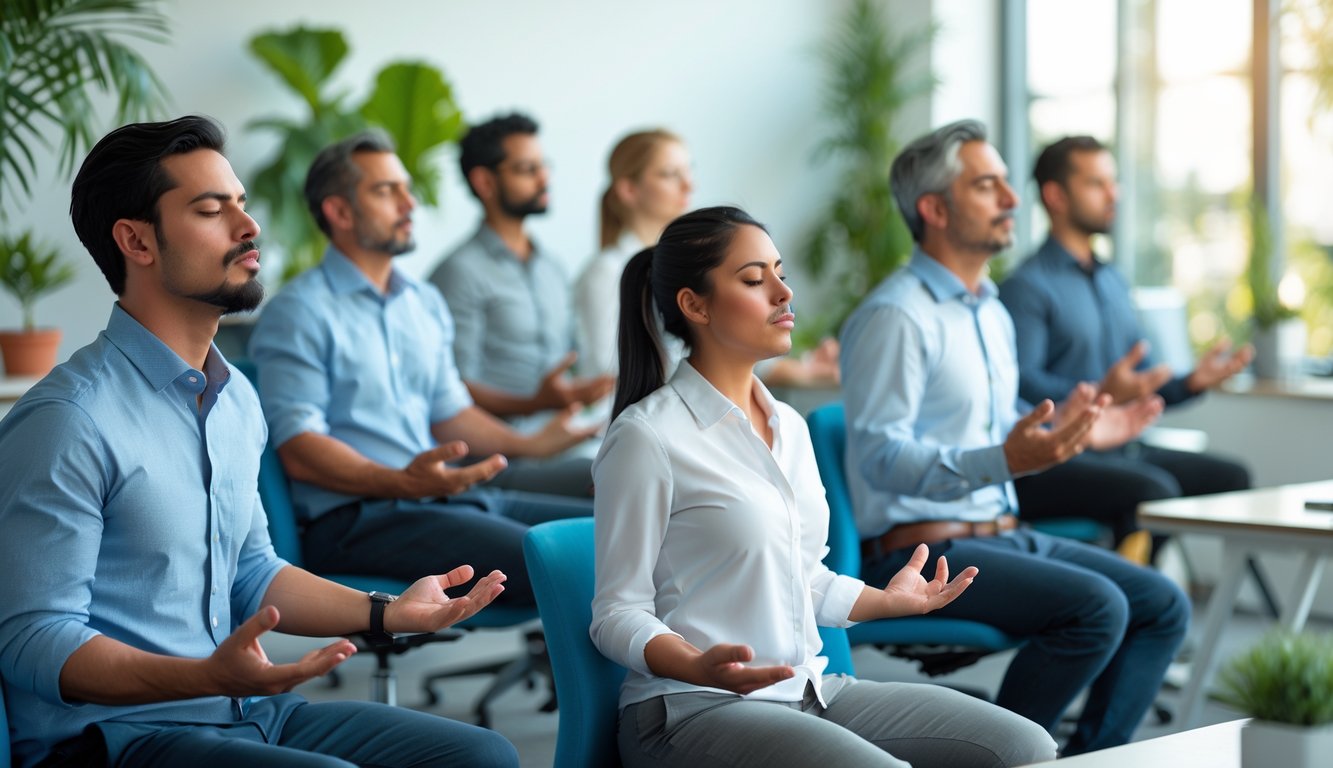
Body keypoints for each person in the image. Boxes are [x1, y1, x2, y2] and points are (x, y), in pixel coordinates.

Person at [0, 116, 517, 768]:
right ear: (136, 241)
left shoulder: (237, 397)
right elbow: (32, 639)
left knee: (482, 757)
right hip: (117, 737)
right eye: (211, 210)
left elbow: (253, 573)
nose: (249, 228)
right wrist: (206, 677)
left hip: (242, 711)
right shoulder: (68, 419)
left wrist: (389, 613)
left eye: (241, 205)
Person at [591, 205, 1057, 768]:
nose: (784, 293)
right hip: (692, 710)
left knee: (1026, 746)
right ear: (695, 305)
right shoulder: (648, 436)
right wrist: (694, 663)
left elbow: (802, 576)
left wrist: (885, 602)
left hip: (807, 691)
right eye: (754, 280)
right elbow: (616, 613)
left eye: (780, 273)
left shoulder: (789, 426)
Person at [840, 120, 1191, 755]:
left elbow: (1002, 425)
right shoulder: (896, 316)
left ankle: (1087, 756)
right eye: (988, 185)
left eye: (1007, 182)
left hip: (1003, 532)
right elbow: (879, 458)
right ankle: (997, 755)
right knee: (1098, 609)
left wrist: (1083, 430)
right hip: (919, 553)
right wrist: (1000, 459)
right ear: (934, 209)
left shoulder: (991, 311)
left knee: (1161, 604)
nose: (1013, 198)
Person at [248, 130, 594, 609]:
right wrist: (402, 482)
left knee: (612, 536)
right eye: (386, 191)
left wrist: (529, 446)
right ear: (340, 212)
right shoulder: (300, 311)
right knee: (573, 563)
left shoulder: (422, 302)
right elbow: (301, 449)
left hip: (438, 497)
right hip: (359, 518)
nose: (409, 203)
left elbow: (450, 413)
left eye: (405, 188)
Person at [999, 135, 1253, 560]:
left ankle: (1143, 576)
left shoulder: (1112, 281)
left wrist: (1191, 381)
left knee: (1231, 476)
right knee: (1154, 490)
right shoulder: (1027, 287)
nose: (1113, 194)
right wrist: (1104, 392)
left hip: (1121, 447)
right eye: (1097, 184)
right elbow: (1020, 384)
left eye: (1113, 182)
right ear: (1055, 195)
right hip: (1058, 457)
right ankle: (1132, 588)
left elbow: (1139, 382)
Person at [429, 112, 611, 497]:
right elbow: (453, 390)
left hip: (566, 439)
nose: (544, 179)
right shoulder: (458, 273)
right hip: (500, 457)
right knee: (622, 478)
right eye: (527, 169)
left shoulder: (552, 267)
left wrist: (583, 391)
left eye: (544, 166)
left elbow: (564, 365)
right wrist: (534, 403)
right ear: (485, 181)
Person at [576, 128, 841, 385]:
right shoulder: (605, 272)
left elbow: (723, 343)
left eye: (689, 170)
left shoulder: (688, 262)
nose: (689, 184)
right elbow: (609, 370)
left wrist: (804, 370)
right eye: (670, 174)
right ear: (629, 190)